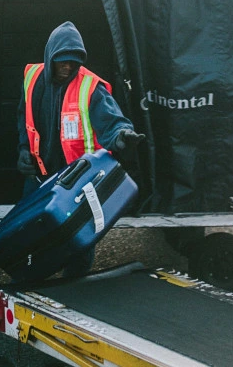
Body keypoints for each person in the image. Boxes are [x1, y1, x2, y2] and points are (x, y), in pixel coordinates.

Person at [16, 21, 144, 277]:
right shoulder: (32, 79)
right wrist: (22, 150)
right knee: (27, 237)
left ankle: (74, 290)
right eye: (62, 61)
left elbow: (112, 122)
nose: (68, 67)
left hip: (76, 184)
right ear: (50, 57)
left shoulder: (90, 88)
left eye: (74, 62)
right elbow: (23, 116)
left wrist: (121, 137)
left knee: (79, 242)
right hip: (40, 177)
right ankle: (26, 284)